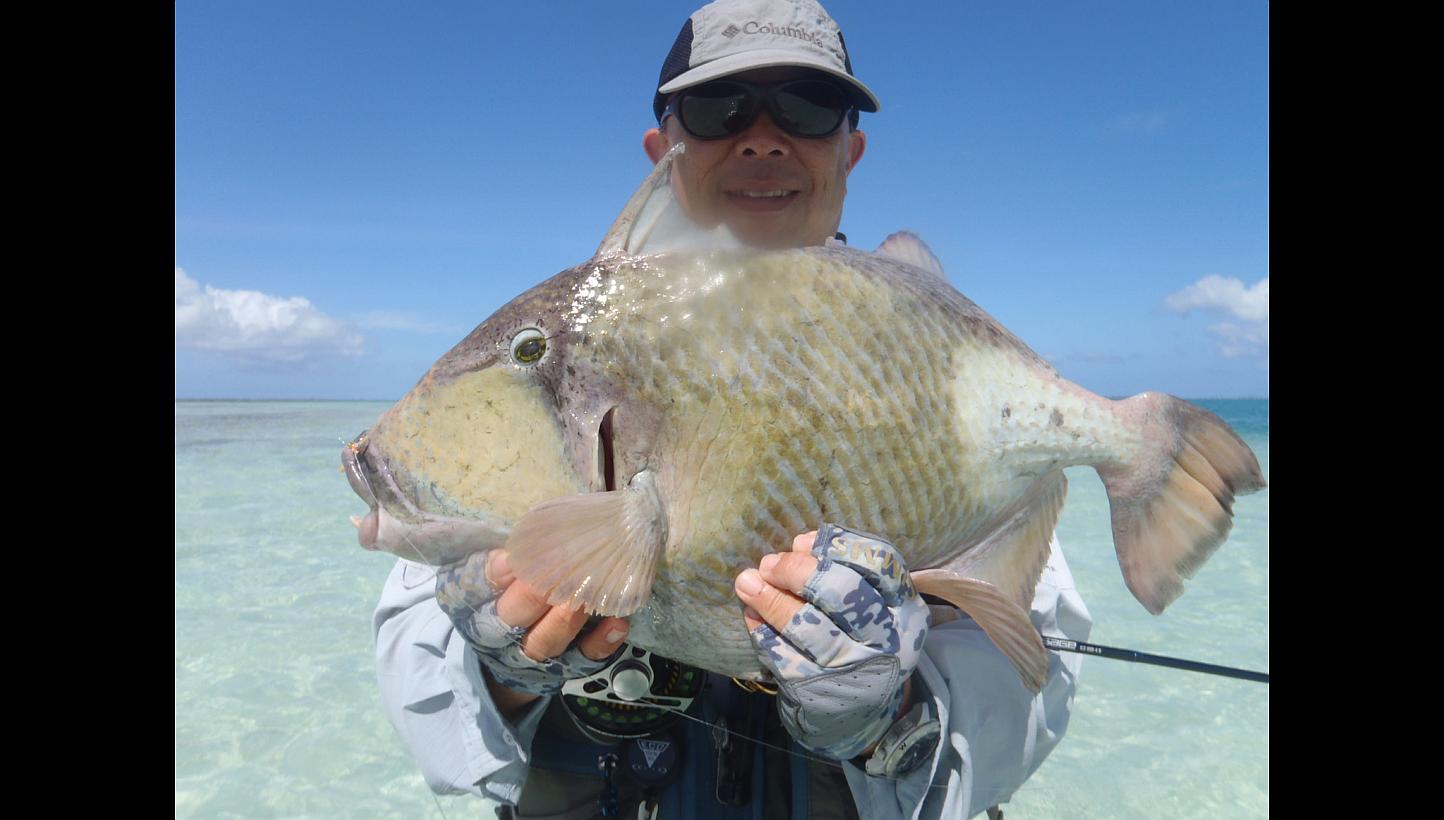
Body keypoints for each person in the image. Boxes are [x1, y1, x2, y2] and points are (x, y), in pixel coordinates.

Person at [373, 2, 1092, 817]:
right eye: (719, 109)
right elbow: (423, 703)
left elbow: (1028, 700)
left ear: (849, 151)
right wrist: (497, 670)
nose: (761, 136)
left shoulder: (936, 374)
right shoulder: (575, 348)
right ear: (662, 150)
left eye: (806, 107)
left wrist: (882, 717)